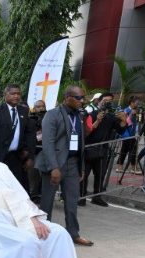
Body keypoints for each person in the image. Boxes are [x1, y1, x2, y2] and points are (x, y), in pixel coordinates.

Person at [36, 85, 94, 247]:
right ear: (67, 97)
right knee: (47, 202)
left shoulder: (79, 116)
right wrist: (54, 167)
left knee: (72, 200)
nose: (82, 101)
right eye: (78, 98)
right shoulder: (52, 115)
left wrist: (81, 167)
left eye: (83, 98)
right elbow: (48, 142)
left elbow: (81, 142)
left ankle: (73, 234)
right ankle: (44, 234)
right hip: (54, 164)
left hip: (73, 163)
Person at [81, 92, 127, 207]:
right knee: (84, 175)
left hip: (103, 150)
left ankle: (97, 197)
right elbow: (86, 132)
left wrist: (123, 120)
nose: (107, 103)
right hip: (88, 148)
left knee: (100, 175)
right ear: (99, 101)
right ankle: (81, 196)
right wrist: (97, 120)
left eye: (110, 101)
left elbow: (120, 130)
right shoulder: (90, 114)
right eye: (105, 101)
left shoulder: (111, 117)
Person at [0, 84, 36, 192]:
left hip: (17, 157)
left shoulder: (24, 111)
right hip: (0, 157)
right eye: (13, 94)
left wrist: (30, 156)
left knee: (19, 189)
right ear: (5, 95)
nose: (16, 96)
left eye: (18, 94)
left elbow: (28, 134)